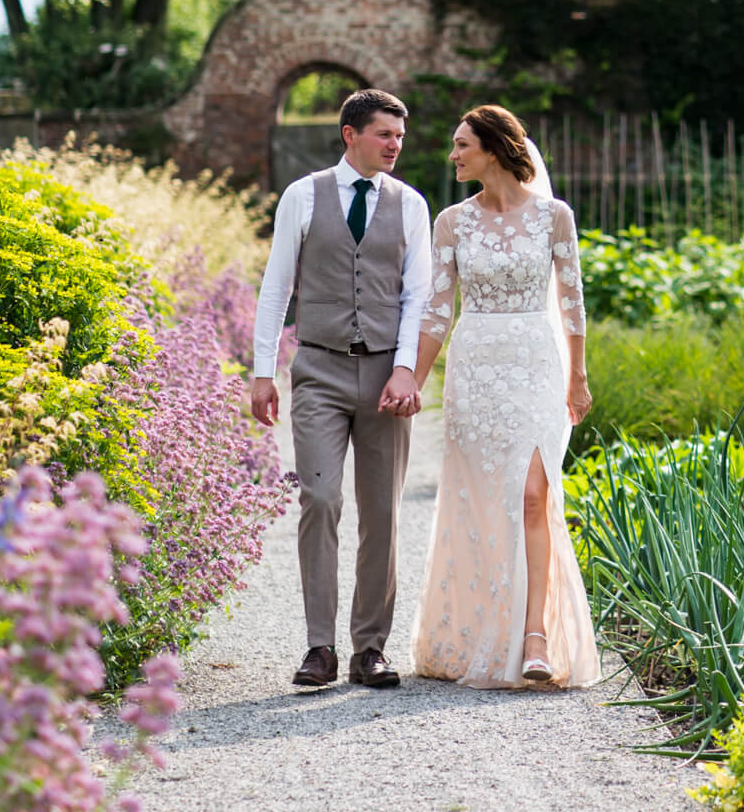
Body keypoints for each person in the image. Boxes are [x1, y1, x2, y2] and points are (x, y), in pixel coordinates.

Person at [409, 104, 600, 688]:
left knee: (534, 494)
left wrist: (578, 375)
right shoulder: (452, 223)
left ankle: (536, 635)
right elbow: (439, 309)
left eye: (462, 144)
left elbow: (571, 300)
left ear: (492, 148)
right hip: (476, 366)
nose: (454, 155)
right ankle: (478, 629)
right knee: (483, 498)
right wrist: (410, 382)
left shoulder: (553, 216)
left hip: (537, 364)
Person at [250, 88, 433, 690]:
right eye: (384, 134)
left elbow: (417, 297)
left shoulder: (410, 205)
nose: (394, 145)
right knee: (321, 500)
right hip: (319, 370)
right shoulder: (302, 196)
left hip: (386, 375)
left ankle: (370, 648)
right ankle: (319, 647)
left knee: (381, 513)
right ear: (350, 133)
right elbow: (277, 286)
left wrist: (406, 367)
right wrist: (262, 371)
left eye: (399, 137)